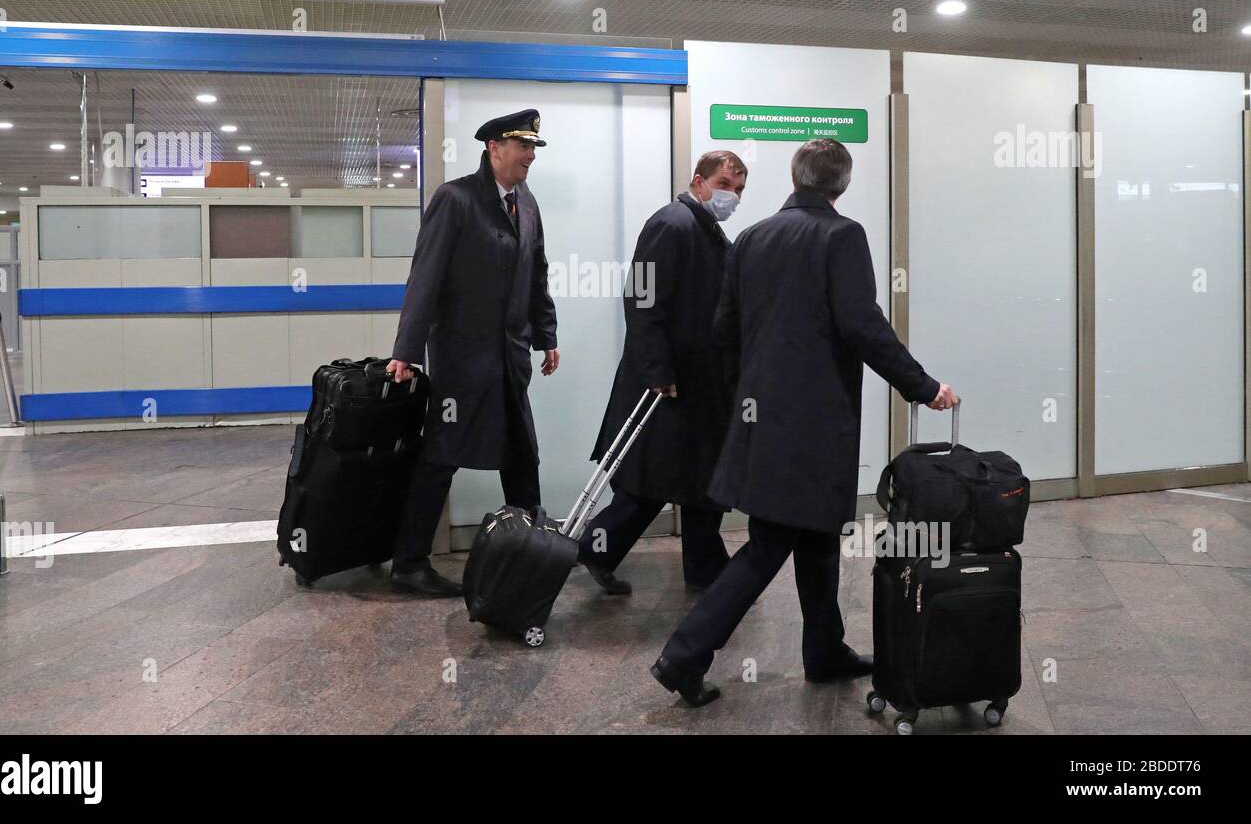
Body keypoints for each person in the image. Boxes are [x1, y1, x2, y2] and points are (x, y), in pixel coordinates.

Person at [651, 138, 958, 706]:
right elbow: (862, 325)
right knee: (769, 544)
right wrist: (923, 387)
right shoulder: (843, 236)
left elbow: (725, 331)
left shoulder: (751, 237)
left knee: (816, 533)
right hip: (813, 425)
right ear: (840, 184)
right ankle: (684, 654)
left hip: (762, 417)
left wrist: (748, 394)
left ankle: (824, 650)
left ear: (796, 178)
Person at [386, 109, 560, 597]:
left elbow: (536, 274)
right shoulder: (456, 199)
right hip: (463, 360)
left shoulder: (526, 204)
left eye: (533, 148)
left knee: (522, 456)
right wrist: (408, 349)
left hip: (510, 357)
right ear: (494, 148)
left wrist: (546, 333)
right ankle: (409, 563)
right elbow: (426, 277)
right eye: (522, 146)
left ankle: (529, 554)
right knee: (442, 456)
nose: (529, 156)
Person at [578, 151, 748, 596]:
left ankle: (702, 564)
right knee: (652, 479)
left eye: (739, 189)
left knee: (693, 477)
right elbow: (641, 299)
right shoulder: (672, 225)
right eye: (726, 185)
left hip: (698, 381)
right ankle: (595, 550)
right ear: (699, 181)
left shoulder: (706, 230)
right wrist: (657, 369)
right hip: (669, 382)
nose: (733, 196)